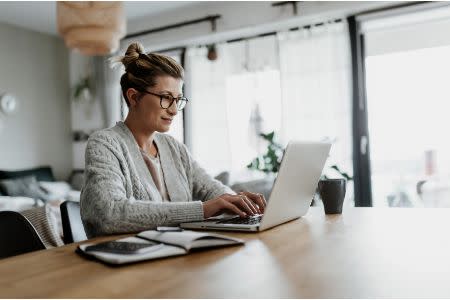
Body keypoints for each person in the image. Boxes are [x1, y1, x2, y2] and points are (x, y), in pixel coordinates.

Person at [80, 42, 266, 237]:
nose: (174, 110)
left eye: (178, 99)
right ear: (134, 97)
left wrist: (238, 202)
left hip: (177, 254)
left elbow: (211, 189)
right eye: (166, 97)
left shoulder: (174, 148)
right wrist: (201, 210)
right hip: (126, 260)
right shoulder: (104, 144)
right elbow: (109, 213)